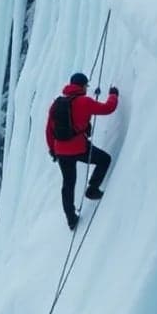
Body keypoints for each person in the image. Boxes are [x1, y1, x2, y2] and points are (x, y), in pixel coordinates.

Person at [45, 72, 119, 230]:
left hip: (61, 151)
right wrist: (113, 95)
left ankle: (71, 218)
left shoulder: (57, 104)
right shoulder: (84, 102)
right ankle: (92, 189)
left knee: (68, 183)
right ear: (83, 86)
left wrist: (53, 150)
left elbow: (49, 130)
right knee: (104, 160)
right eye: (86, 85)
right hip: (79, 147)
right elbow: (108, 108)